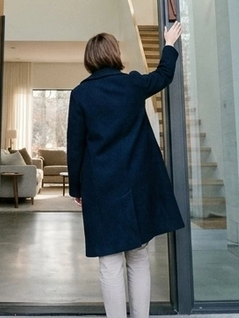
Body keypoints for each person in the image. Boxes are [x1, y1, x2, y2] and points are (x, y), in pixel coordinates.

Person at [66, 22, 186, 318]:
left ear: (89, 59)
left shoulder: (80, 95)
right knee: (138, 256)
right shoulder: (131, 84)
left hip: (101, 187)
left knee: (109, 261)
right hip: (137, 184)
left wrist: (77, 190)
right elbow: (163, 76)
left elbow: (76, 145)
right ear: (114, 54)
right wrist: (169, 44)